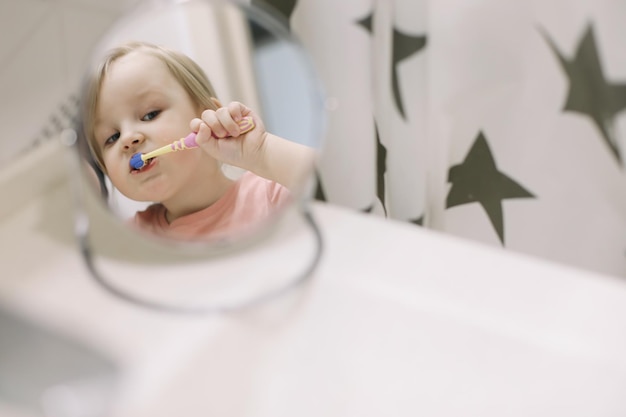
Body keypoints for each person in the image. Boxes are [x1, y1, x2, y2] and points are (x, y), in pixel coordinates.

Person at [81, 41, 315, 241]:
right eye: (111, 138)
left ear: (207, 115)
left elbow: (327, 176)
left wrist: (261, 152)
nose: (128, 139)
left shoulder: (269, 196)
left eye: (150, 114)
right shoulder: (132, 241)